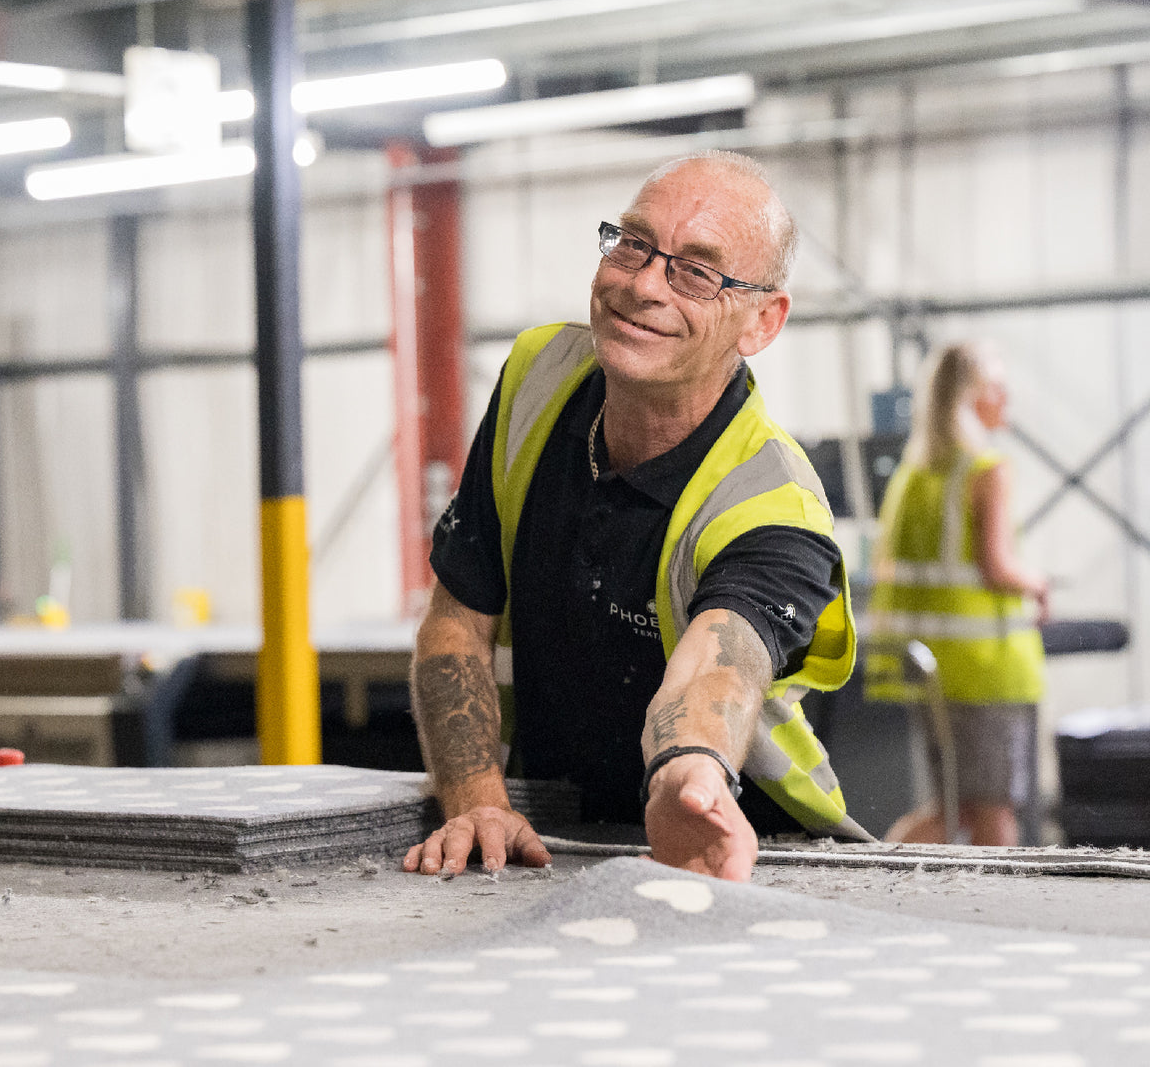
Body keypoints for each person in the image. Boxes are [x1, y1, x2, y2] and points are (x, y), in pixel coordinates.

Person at [402, 151, 869, 884]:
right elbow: (459, 616)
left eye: (696, 271)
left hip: (751, 846)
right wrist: (477, 801)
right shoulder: (537, 376)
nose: (642, 284)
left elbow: (720, 667)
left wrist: (690, 773)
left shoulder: (775, 505)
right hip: (564, 836)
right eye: (632, 243)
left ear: (762, 321)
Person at [865, 342, 1049, 847]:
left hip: (932, 669)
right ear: (971, 396)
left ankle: (878, 871)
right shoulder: (986, 470)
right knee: (992, 812)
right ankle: (1001, 916)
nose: (1005, 398)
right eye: (997, 386)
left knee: (957, 808)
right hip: (986, 669)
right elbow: (997, 566)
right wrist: (1038, 582)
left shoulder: (915, 475)